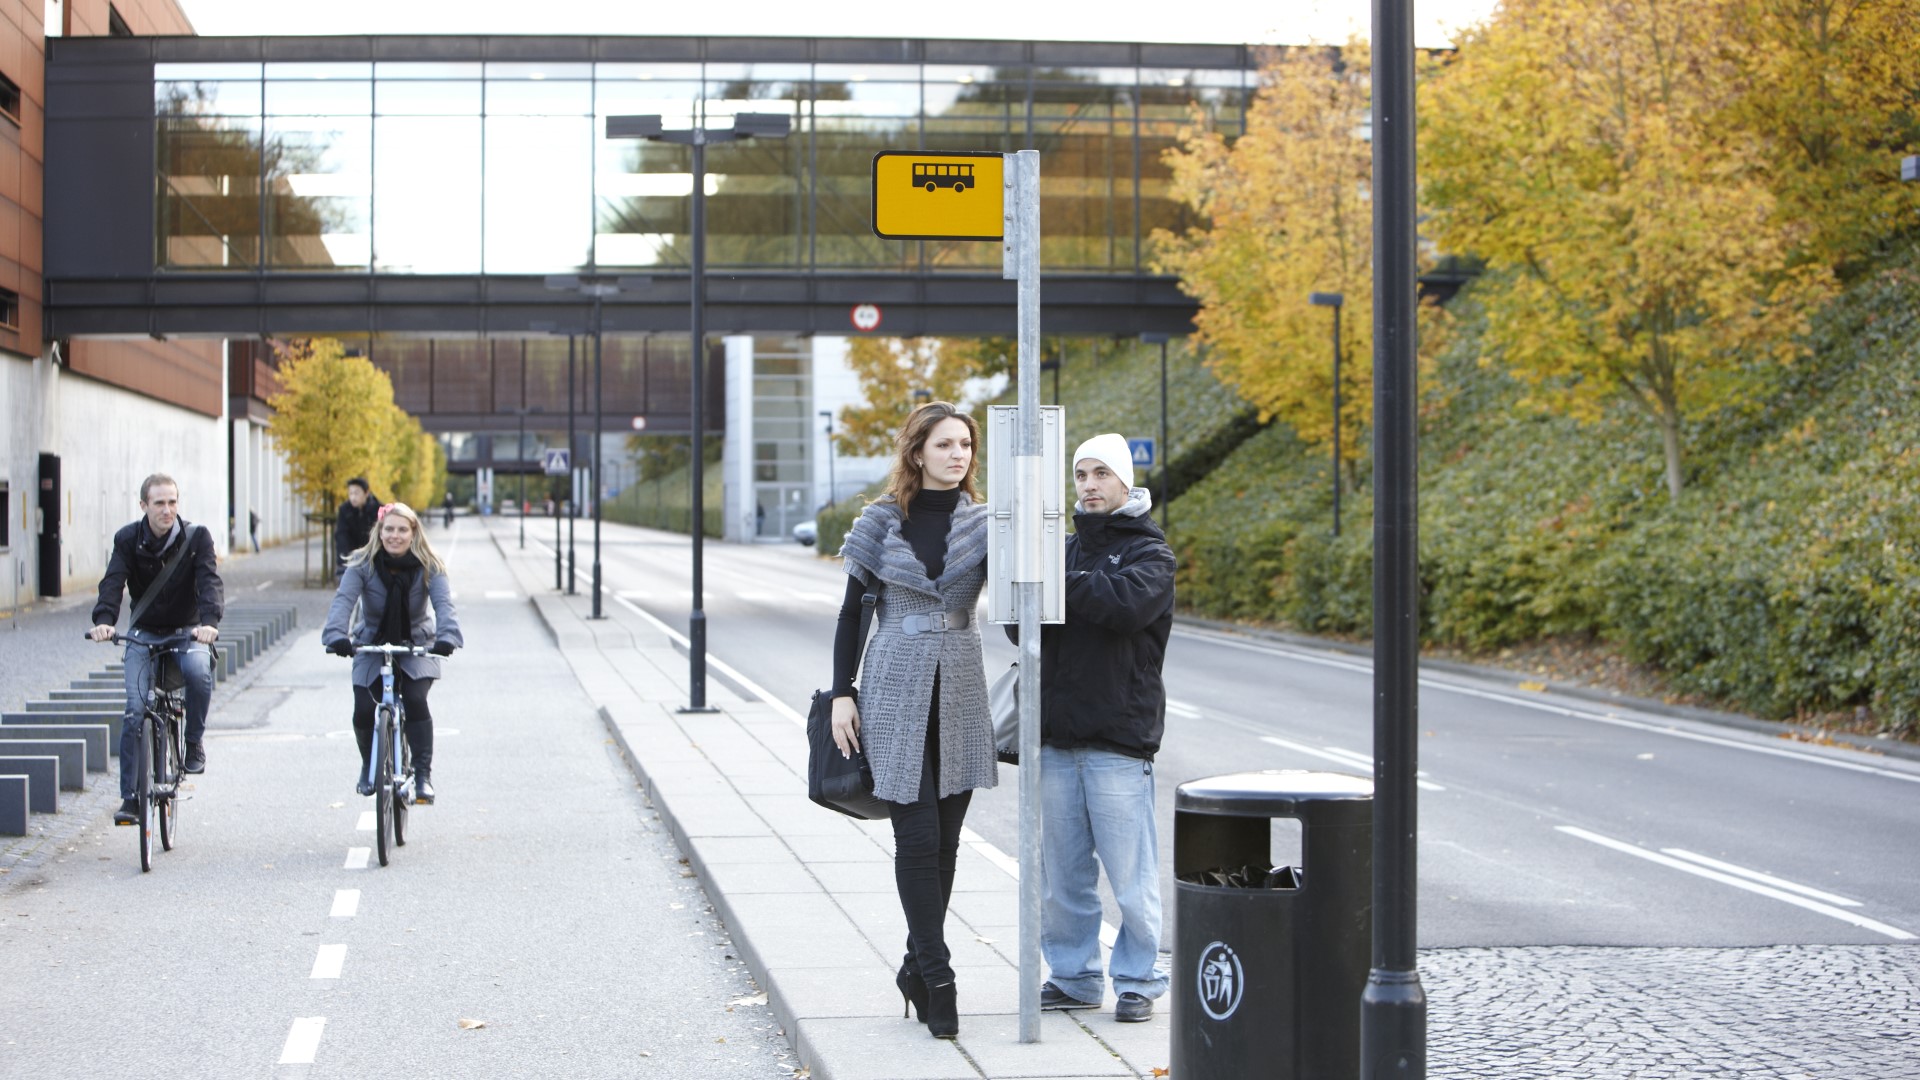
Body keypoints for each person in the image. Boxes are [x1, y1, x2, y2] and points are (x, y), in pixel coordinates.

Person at [830, 401, 995, 1041]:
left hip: (959, 683)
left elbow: (1014, 602)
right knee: (918, 838)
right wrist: (843, 692)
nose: (958, 455)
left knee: (947, 843)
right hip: (893, 684)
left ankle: (912, 965)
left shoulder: (985, 524)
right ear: (917, 452)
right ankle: (941, 975)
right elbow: (852, 614)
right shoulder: (879, 521)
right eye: (946, 444)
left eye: (966, 445)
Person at [1028, 433, 1176, 1023]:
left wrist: (1052, 578)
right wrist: (1034, 582)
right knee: (1063, 879)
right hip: (1058, 736)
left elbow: (1124, 608)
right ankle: (1074, 977)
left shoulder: (1151, 554)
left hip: (1119, 738)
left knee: (1131, 878)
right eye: (1081, 475)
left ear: (1124, 482)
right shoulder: (1060, 549)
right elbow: (1025, 631)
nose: (1088, 485)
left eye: (1100, 475)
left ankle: (1139, 979)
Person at [89, 474, 223, 827]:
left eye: (173, 502)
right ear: (144, 505)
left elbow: (210, 582)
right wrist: (104, 619)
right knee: (134, 710)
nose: (167, 510)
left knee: (197, 673)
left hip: (187, 629)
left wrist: (209, 622)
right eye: (160, 503)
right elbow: (113, 582)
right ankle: (131, 799)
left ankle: (193, 742)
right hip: (143, 632)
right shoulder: (127, 539)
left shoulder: (197, 538)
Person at [321, 502, 462, 805]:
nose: (394, 536)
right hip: (371, 643)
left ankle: (422, 775)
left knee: (414, 698)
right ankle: (369, 763)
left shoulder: (430, 565)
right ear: (379, 531)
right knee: (362, 707)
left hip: (416, 644)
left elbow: (444, 606)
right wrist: (337, 635)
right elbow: (343, 601)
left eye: (402, 530)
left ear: (413, 533)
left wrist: (447, 636)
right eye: (389, 529)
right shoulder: (361, 564)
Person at [333, 478, 379, 570]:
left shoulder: (378, 509)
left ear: (366, 493)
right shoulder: (344, 510)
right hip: (351, 559)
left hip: (374, 559)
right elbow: (342, 535)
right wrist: (343, 562)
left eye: (356, 493)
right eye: (350, 493)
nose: (353, 497)